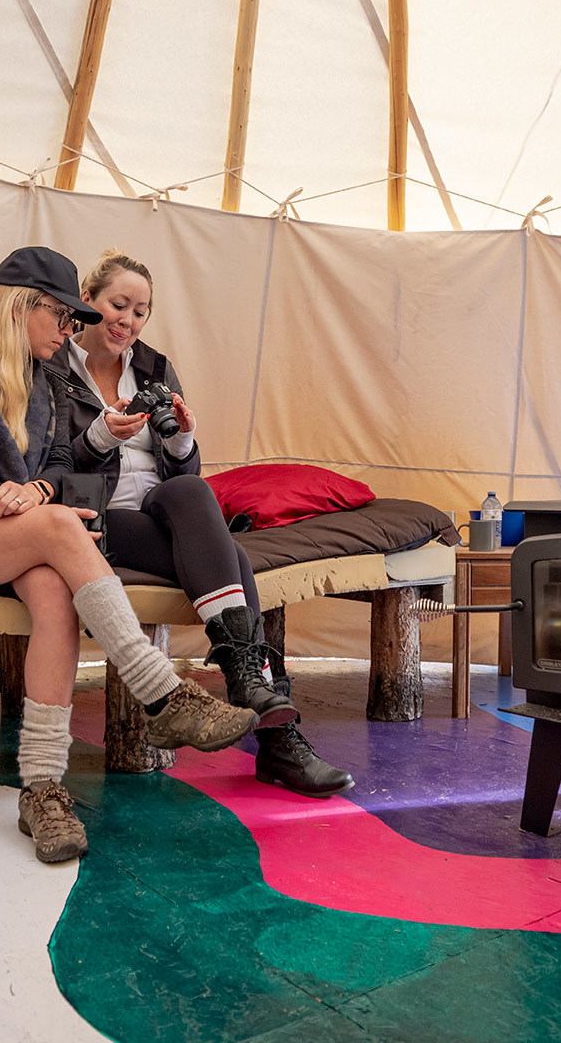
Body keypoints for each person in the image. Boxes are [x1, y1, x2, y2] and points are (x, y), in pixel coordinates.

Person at [0, 246, 259, 864]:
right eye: (64, 318)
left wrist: (38, 491)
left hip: (16, 525)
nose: (71, 331)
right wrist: (5, 493)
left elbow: (55, 462)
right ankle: (163, 694)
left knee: (54, 590)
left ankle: (43, 788)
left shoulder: (45, 382)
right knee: (58, 529)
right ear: (27, 307)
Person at [57, 250, 354, 798]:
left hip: (159, 509)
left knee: (193, 488)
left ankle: (250, 688)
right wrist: (100, 437)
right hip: (96, 517)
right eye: (118, 305)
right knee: (235, 560)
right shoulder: (54, 365)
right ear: (89, 302)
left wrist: (181, 439)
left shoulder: (153, 365)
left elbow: (181, 469)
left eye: (141, 311)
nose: (129, 320)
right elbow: (46, 466)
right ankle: (278, 736)